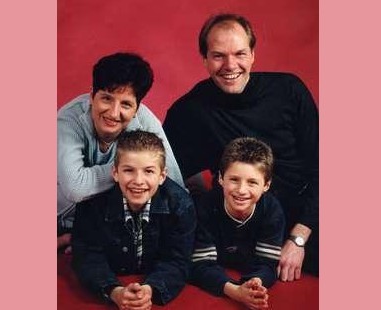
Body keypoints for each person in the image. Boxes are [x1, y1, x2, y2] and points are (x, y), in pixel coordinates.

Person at [163, 13, 319, 279]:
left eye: (239, 53)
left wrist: (299, 238)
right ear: (204, 59)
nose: (230, 65)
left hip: (307, 217)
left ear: (253, 55)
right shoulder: (189, 111)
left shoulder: (289, 91)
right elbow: (162, 173)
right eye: (218, 55)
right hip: (244, 229)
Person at [58, 52, 184, 251]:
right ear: (92, 96)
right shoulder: (68, 120)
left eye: (126, 104)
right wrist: (131, 167)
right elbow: (76, 187)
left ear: (137, 108)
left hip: (108, 223)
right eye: (106, 99)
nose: (113, 113)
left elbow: (173, 181)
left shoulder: (143, 119)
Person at [71, 130, 196, 308]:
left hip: (153, 279)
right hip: (113, 278)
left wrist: (151, 290)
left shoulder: (181, 206)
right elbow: (87, 257)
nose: (138, 180)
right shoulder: (91, 205)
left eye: (149, 171)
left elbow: (177, 260)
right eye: (129, 170)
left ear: (162, 176)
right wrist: (114, 291)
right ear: (115, 172)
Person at [191, 137, 284, 309]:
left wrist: (255, 283)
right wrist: (235, 291)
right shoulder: (204, 207)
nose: (241, 190)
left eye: (252, 182)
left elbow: (268, 263)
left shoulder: (272, 211)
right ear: (220, 178)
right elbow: (200, 266)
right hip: (218, 268)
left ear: (266, 185)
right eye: (234, 179)